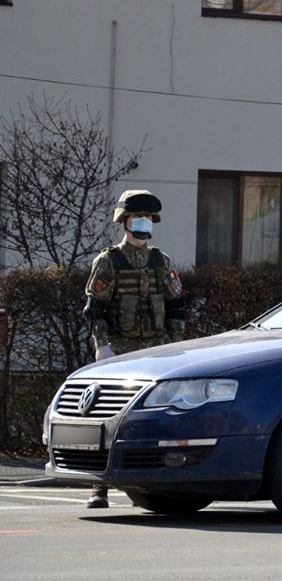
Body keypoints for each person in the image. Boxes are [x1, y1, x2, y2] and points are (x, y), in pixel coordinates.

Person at [82, 189, 186, 509]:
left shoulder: (161, 261)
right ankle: (99, 487)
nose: (142, 224)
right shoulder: (109, 261)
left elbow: (176, 306)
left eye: (147, 219)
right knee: (110, 418)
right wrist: (103, 347)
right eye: (136, 218)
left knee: (158, 420)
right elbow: (95, 309)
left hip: (157, 352)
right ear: (124, 222)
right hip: (121, 352)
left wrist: (178, 347)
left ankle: (155, 484)